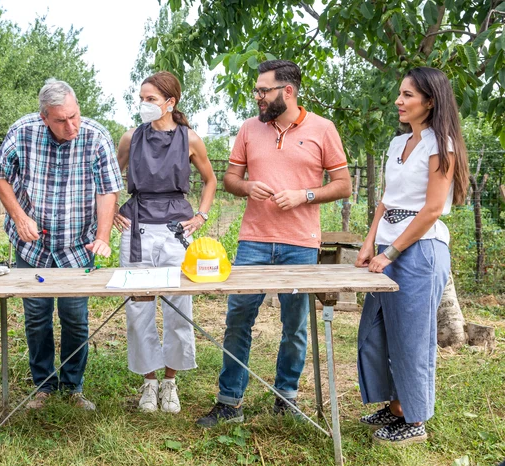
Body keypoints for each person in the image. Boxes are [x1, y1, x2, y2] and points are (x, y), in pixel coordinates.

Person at [196, 59, 352, 427]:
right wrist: (248, 186)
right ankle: (230, 403)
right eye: (256, 90)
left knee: (295, 326)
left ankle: (286, 398)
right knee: (238, 320)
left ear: (288, 91)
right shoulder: (249, 129)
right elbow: (231, 179)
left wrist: (305, 195)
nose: (258, 97)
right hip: (252, 241)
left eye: (263, 90)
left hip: (300, 244)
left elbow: (343, 184)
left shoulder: (323, 129)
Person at [0, 79, 122, 411]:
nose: (71, 125)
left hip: (77, 247)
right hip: (32, 249)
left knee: (75, 317)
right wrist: (19, 217)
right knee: (37, 316)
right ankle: (44, 386)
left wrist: (103, 237)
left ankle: (73, 386)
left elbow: (108, 189)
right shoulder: (22, 132)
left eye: (74, 116)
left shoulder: (96, 136)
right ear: (44, 116)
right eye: (61, 120)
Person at [354, 67, 469, 445]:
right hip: (386, 248)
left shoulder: (442, 143)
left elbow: (433, 208)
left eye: (407, 95)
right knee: (375, 332)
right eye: (400, 94)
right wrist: (370, 242)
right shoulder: (396, 143)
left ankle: (413, 417)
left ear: (430, 101)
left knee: (412, 338)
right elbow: (386, 201)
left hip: (419, 251)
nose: (398, 101)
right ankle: (394, 405)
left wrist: (391, 251)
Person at [113, 71, 216, 413]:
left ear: (170, 103)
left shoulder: (191, 139)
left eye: (151, 99)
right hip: (136, 227)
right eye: (141, 98)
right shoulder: (130, 137)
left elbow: (210, 179)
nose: (144, 104)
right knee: (138, 309)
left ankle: (170, 383)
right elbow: (110, 177)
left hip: (176, 230)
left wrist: (200, 215)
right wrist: (111, 210)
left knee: (177, 307)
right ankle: (149, 383)